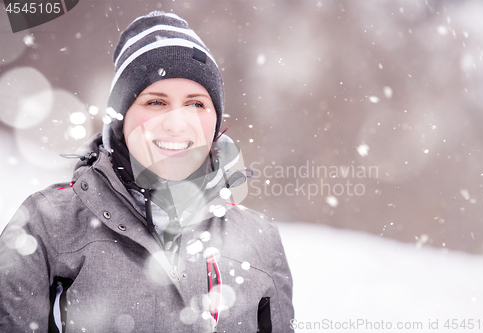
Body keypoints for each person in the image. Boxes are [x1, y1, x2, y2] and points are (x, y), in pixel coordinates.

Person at [0, 11, 294, 333]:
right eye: (156, 102)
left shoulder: (260, 239)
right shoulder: (45, 223)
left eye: (196, 104)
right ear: (121, 118)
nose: (177, 123)